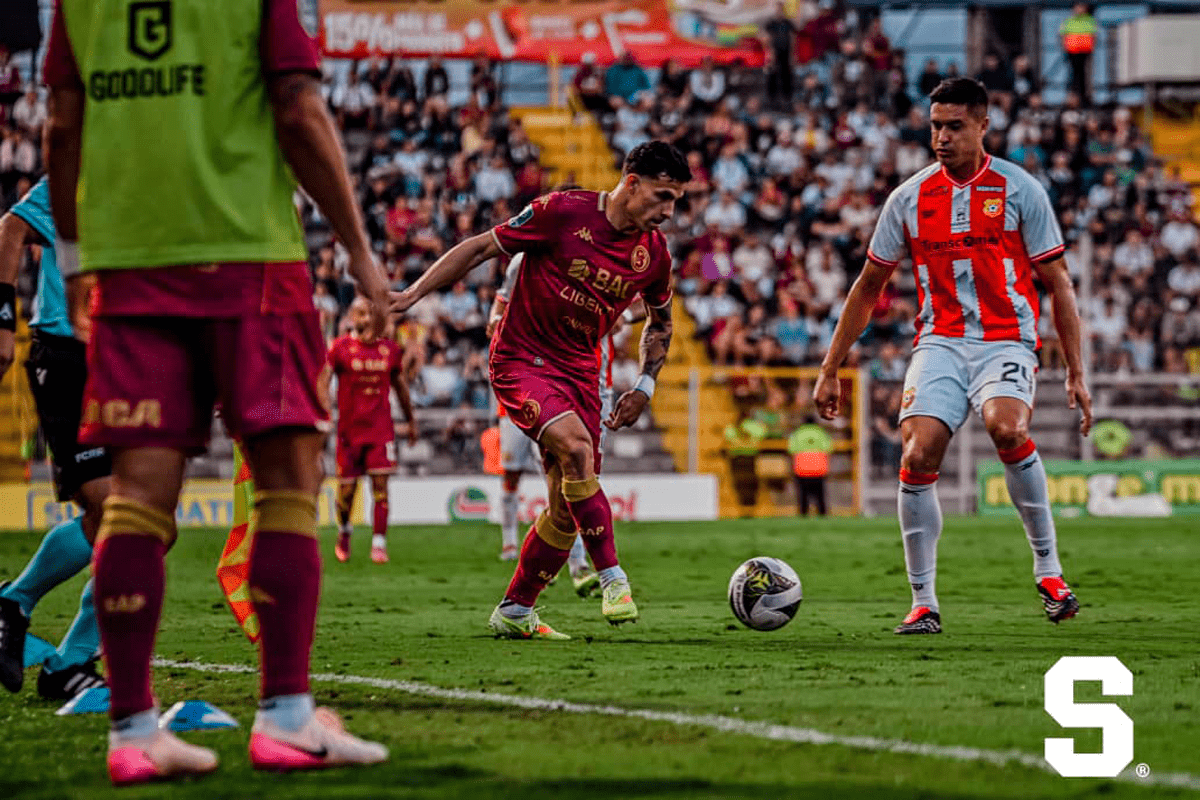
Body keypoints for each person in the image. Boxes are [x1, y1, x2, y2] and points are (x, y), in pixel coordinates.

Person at [44, 0, 389, 783]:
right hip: (249, 259)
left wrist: (73, 262)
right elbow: (297, 109)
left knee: (136, 497)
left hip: (130, 266)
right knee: (287, 481)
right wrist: (358, 250)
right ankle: (287, 717)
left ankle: (133, 730)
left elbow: (62, 125)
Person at [813, 78, 1093, 635]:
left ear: (984, 126)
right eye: (935, 126)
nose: (941, 137)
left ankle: (1049, 571)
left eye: (954, 126)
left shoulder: (1020, 190)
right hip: (939, 341)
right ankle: (923, 603)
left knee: (1007, 428)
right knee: (917, 453)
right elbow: (868, 287)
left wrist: (1076, 372)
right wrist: (830, 368)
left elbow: (1058, 282)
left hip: (1006, 338)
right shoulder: (909, 198)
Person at [394, 141, 690, 639]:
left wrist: (644, 385)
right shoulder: (563, 212)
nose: (669, 211)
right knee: (576, 449)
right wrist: (412, 293)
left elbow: (661, 322)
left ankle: (515, 609)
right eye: (663, 196)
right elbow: (482, 247)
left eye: (676, 201)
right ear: (632, 182)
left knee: (565, 509)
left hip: (582, 373)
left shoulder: (653, 255)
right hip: (522, 359)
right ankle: (613, 577)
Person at [0, 177, 108, 701]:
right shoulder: (85, 166)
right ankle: (18, 605)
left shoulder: (164, 179)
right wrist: (4, 322)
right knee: (117, 513)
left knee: (152, 524)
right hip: (67, 355)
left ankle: (67, 661)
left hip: (123, 359)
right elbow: (11, 228)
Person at [484, 252, 599, 599]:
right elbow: (497, 311)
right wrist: (496, 320)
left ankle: (574, 562)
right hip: (514, 400)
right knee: (512, 475)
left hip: (553, 395)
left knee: (565, 477)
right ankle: (509, 542)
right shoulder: (521, 264)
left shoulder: (573, 280)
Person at [320, 297, 417, 565]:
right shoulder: (340, 348)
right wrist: (324, 412)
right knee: (346, 494)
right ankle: (344, 530)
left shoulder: (389, 350)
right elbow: (323, 381)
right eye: (362, 313)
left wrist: (411, 420)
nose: (367, 319)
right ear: (352, 317)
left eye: (371, 314)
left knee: (381, 487)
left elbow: (400, 387)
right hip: (348, 433)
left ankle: (379, 543)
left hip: (380, 431)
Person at [1059, 3, 1097, 106]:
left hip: (1084, 52)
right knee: (1073, 75)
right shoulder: (1069, 20)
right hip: (1072, 52)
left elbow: (1093, 36)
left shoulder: (1089, 20)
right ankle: (1073, 96)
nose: (1079, 9)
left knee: (1083, 75)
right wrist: (1064, 47)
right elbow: (1063, 35)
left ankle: (1083, 96)